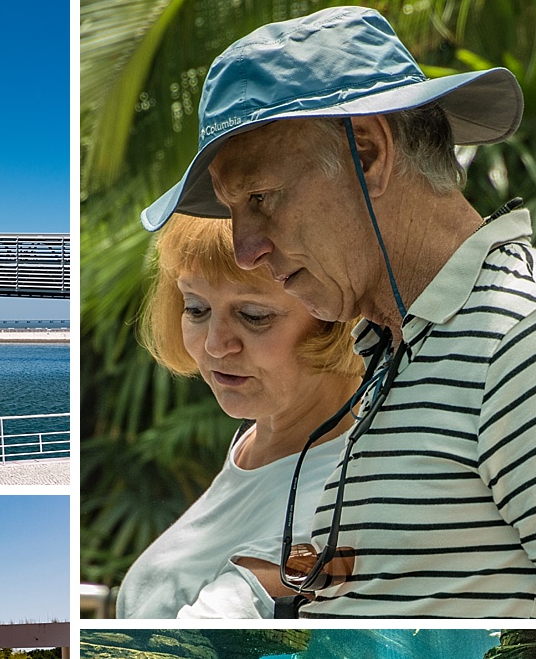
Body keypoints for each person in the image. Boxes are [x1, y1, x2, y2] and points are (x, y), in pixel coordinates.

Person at [140, 6, 536, 618]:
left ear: (367, 153)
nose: (247, 248)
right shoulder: (392, 350)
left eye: (260, 198)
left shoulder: (525, 336)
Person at [118, 215, 362, 617]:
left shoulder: (335, 502)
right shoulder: (256, 441)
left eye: (253, 315)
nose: (216, 345)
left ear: (336, 319)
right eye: (196, 308)